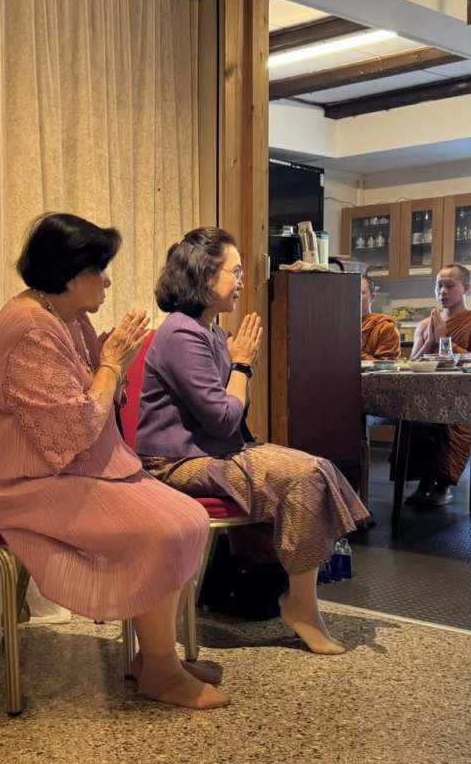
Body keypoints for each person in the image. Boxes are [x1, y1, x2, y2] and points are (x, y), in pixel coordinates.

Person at [0, 213, 225, 709]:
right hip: (20, 483)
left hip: (66, 470)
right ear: (70, 274)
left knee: (188, 517)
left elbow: (89, 399)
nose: (107, 281)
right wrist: (111, 363)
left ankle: (154, 657)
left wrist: (109, 363)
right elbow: (76, 428)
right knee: (161, 530)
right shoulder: (29, 331)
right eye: (99, 270)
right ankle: (161, 671)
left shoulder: (64, 317)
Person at [135, 228, 370, 656]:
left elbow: (233, 413)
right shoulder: (182, 334)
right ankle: (301, 607)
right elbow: (224, 417)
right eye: (236, 271)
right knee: (302, 476)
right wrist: (241, 364)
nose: (242, 281)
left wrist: (238, 363)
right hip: (174, 462)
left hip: (213, 451)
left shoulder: (210, 332)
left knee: (315, 466)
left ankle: (300, 600)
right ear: (206, 275)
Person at [403, 264, 471, 507]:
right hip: (427, 395)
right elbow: (411, 364)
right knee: (414, 415)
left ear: (466, 288)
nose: (442, 291)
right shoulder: (425, 324)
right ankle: (424, 481)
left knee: (448, 418)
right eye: (439, 285)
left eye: (450, 286)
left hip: (464, 396)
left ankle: (442, 483)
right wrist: (430, 341)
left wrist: (445, 340)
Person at [359, 274, 401, 361]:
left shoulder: (385, 327)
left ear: (372, 297)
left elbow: (385, 366)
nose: (354, 297)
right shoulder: (338, 328)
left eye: (361, 293)